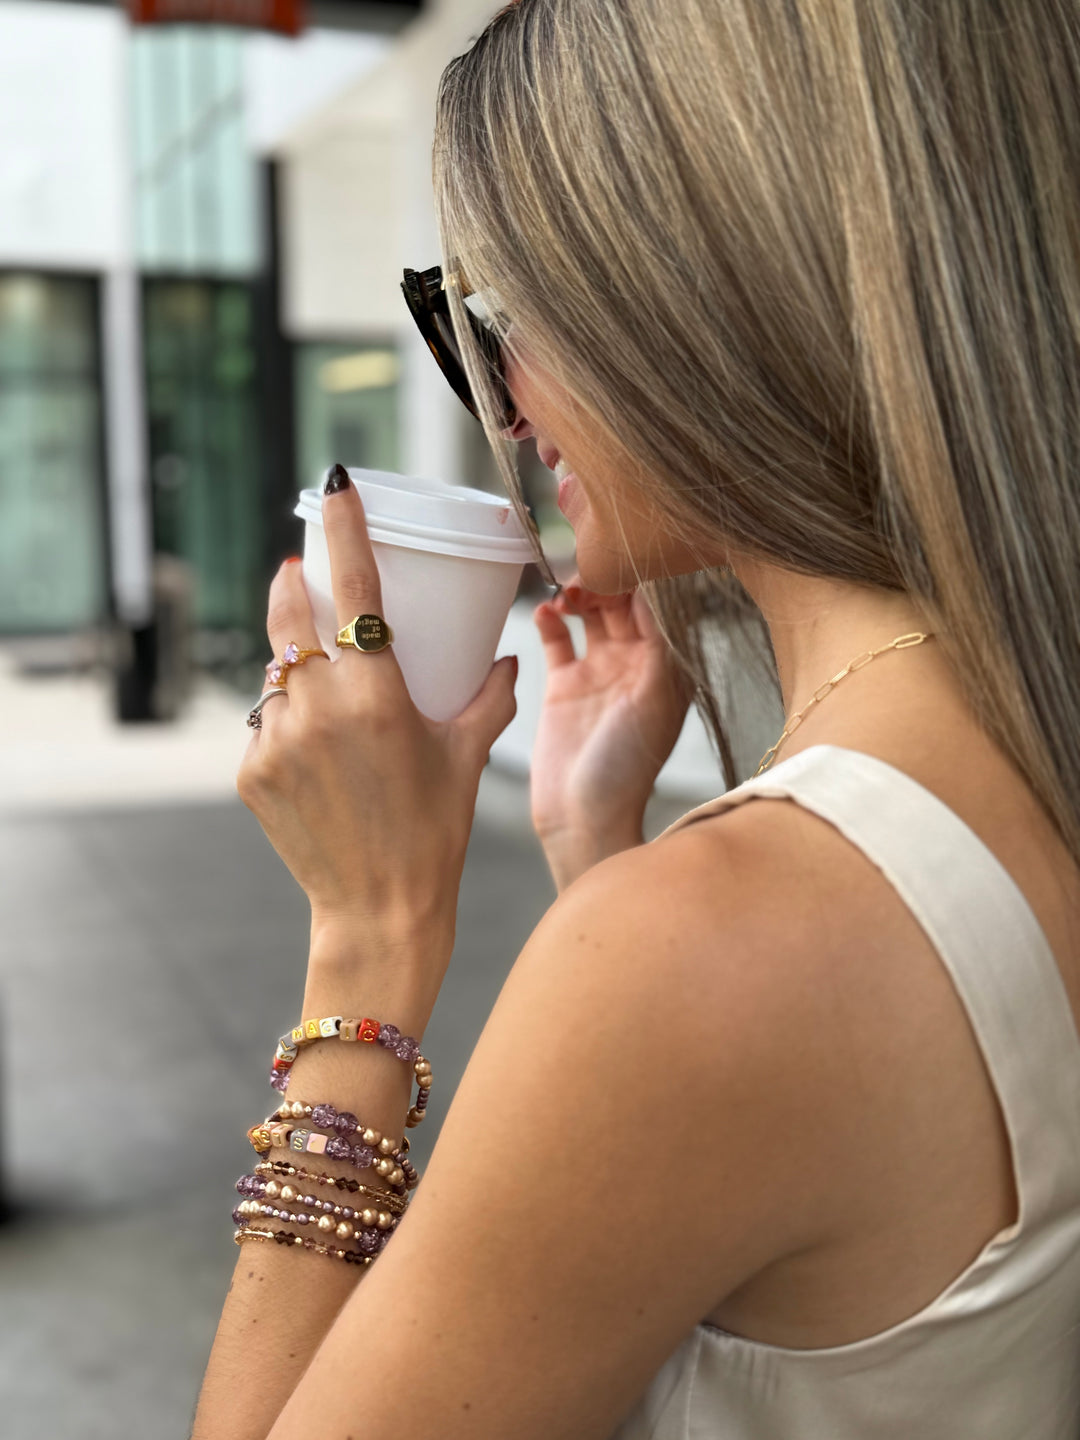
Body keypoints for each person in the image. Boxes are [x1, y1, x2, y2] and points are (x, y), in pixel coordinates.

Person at [194, 1, 1080, 1435]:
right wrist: (596, 834)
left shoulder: (719, 944)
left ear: (693, 289)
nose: (507, 390)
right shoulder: (1011, 741)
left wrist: (368, 933)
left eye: (507, 306)